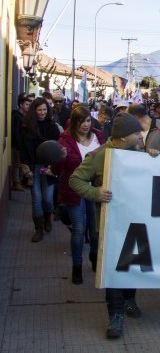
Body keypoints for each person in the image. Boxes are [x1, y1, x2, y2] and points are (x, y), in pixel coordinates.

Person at [69, 112, 159, 339]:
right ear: (121, 138)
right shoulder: (99, 156)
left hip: (136, 221)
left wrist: (153, 157)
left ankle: (130, 300)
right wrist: (95, 193)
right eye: (136, 133)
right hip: (109, 225)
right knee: (114, 272)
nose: (141, 136)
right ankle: (115, 313)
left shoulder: (136, 152)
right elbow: (75, 179)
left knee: (133, 265)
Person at [52, 106, 105, 285]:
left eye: (88, 120)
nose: (85, 125)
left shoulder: (98, 136)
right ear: (74, 122)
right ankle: (76, 267)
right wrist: (61, 158)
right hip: (75, 191)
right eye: (81, 121)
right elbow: (57, 170)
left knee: (96, 229)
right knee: (79, 230)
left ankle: (95, 257)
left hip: (96, 189)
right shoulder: (65, 140)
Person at [20, 98, 61, 242]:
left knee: (48, 199)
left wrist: (53, 167)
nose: (42, 113)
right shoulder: (27, 126)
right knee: (36, 199)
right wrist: (25, 168)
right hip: (33, 167)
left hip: (47, 167)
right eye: (39, 110)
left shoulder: (52, 127)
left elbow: (58, 148)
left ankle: (47, 218)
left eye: (44, 109)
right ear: (34, 111)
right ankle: (38, 229)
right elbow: (23, 149)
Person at [11, 93, 32, 191]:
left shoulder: (23, 116)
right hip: (17, 145)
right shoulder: (16, 116)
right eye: (27, 104)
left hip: (22, 145)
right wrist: (18, 144)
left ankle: (19, 181)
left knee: (20, 163)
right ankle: (16, 182)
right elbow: (15, 132)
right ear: (21, 105)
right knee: (17, 164)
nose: (28, 107)